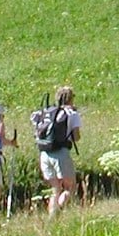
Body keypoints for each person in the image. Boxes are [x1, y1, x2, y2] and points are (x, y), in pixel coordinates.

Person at [34, 86, 82, 216]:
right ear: (71, 98)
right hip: (60, 153)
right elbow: (76, 137)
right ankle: (57, 214)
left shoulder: (46, 112)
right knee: (69, 187)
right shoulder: (71, 114)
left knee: (55, 189)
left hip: (44, 153)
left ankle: (51, 217)